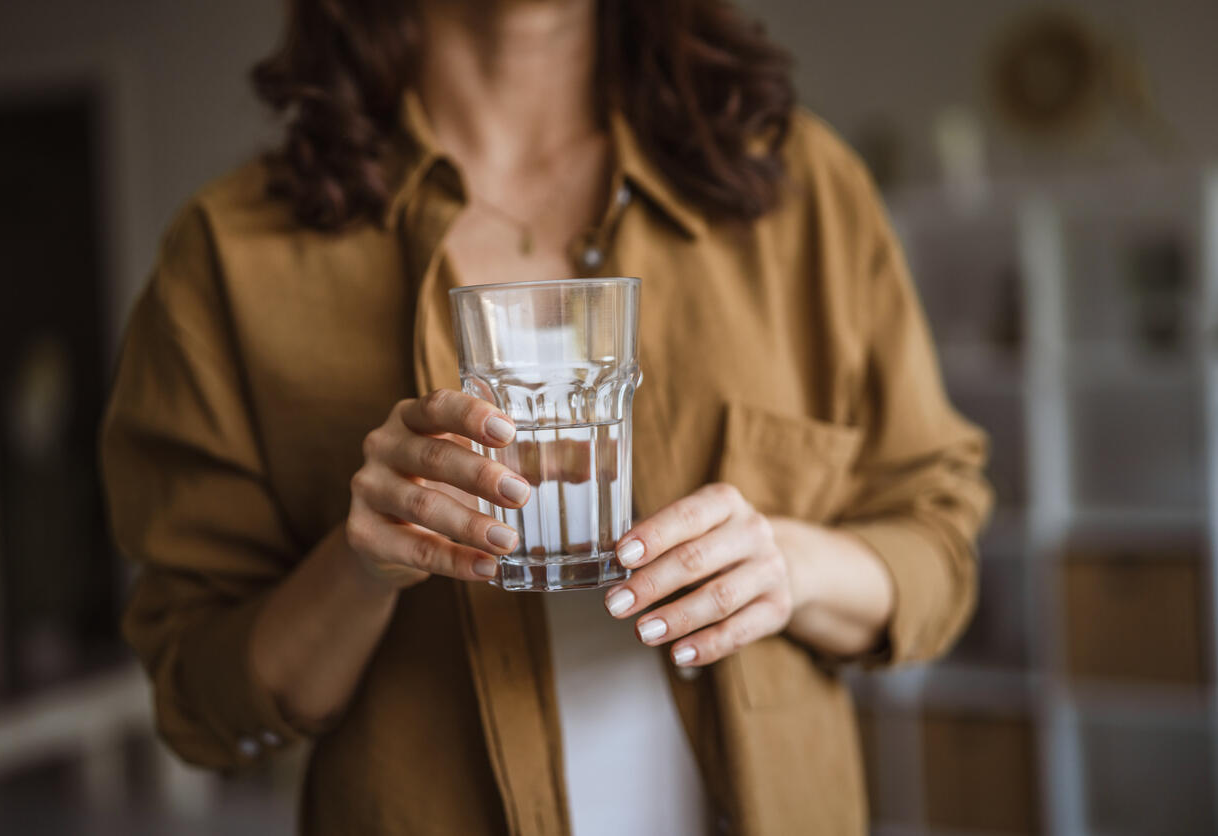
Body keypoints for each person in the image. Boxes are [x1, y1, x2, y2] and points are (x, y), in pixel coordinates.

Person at [101, 1, 992, 833]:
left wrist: (791, 563)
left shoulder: (801, 187)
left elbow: (940, 544)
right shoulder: (229, 254)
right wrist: (359, 564)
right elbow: (200, 700)